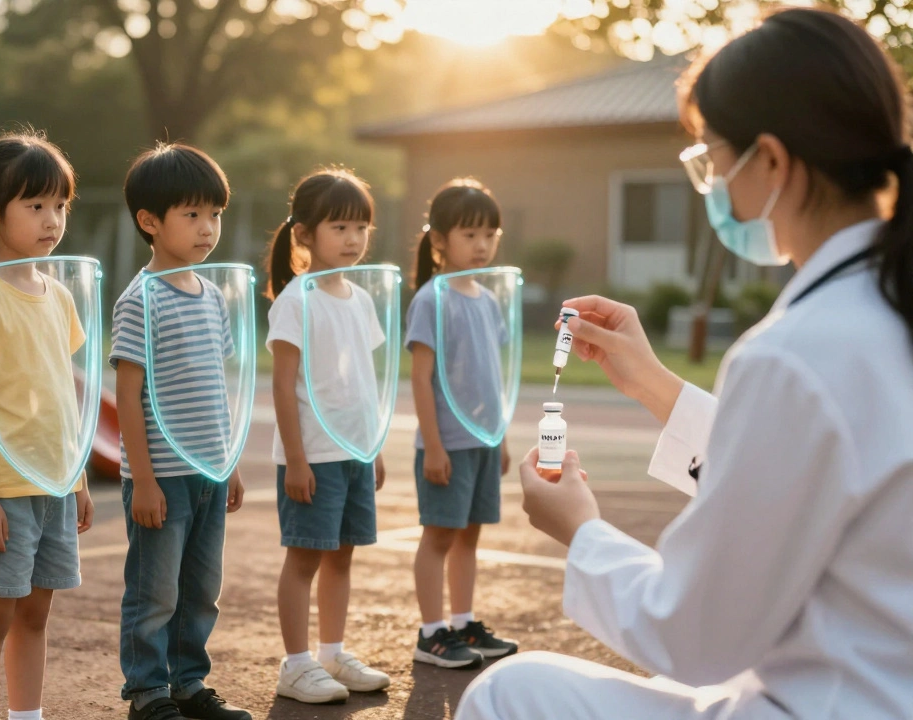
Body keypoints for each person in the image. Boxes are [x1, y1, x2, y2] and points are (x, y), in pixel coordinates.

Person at [457, 7, 913, 719]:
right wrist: (656, 387)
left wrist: (582, 530)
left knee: (508, 692)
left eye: (712, 160)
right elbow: (816, 462)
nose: (714, 189)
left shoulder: (796, 351)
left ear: (769, 160)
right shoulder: (878, 307)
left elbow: (693, 634)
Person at [0, 133, 95, 720]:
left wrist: (75, 477)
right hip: (0, 490)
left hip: (52, 485)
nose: (52, 219)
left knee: (35, 614)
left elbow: (61, 394)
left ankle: (27, 716)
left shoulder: (57, 295)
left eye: (60, 206)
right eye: (35, 206)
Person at [111, 143, 251, 720]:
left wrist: (228, 461)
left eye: (214, 214)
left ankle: (188, 683)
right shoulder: (140, 300)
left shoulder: (212, 296)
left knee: (200, 590)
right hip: (161, 479)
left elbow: (214, 387)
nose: (207, 228)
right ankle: (147, 692)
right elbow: (126, 397)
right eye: (191, 215)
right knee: (155, 593)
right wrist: (143, 480)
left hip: (207, 473)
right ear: (150, 222)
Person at [266, 170, 393, 705]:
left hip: (353, 454)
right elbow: (283, 386)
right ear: (304, 234)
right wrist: (296, 460)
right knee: (304, 560)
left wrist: (374, 446)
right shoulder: (296, 301)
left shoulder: (360, 300)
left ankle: (332, 652)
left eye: (361, 226)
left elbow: (360, 383)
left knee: (342, 556)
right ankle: (295, 666)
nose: (353, 238)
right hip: (312, 457)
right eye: (339, 226)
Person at [406, 179, 519, 670]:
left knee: (470, 535)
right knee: (439, 536)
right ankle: (431, 633)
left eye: (490, 234)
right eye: (470, 234)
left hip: (482, 442)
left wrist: (502, 437)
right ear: (440, 241)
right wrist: (433, 446)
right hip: (446, 445)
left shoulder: (488, 301)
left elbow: (490, 379)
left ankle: (463, 621)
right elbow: (422, 379)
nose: (482, 244)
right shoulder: (432, 299)